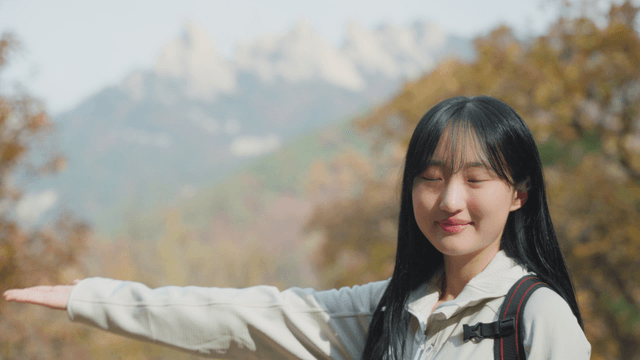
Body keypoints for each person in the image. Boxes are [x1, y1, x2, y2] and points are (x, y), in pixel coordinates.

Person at [3, 95, 590, 359]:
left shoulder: (536, 318)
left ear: (518, 194)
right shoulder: (386, 312)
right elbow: (244, 319)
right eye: (431, 177)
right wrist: (92, 297)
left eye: (476, 179)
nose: (450, 200)